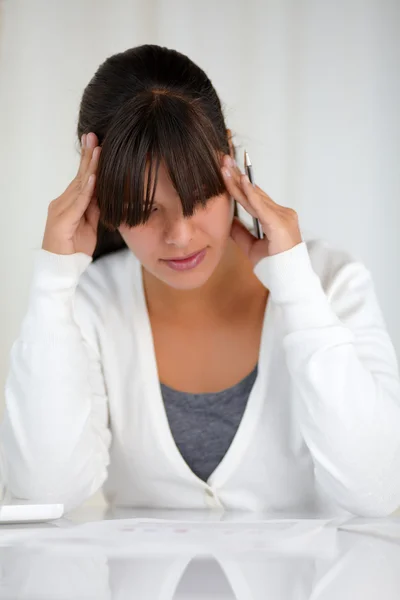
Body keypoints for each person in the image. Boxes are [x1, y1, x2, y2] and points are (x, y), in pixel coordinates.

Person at [1, 44, 400, 517]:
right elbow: (45, 492)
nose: (180, 236)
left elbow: (379, 491)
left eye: (198, 196)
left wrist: (294, 283)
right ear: (100, 199)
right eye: (145, 210)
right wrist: (53, 283)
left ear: (229, 162)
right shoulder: (89, 305)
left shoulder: (331, 283)